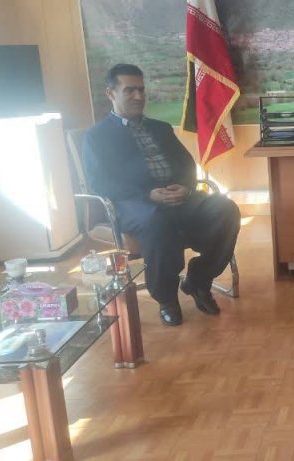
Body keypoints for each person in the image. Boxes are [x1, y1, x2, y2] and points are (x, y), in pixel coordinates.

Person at [83, 64, 241, 326]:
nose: (138, 96)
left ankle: (198, 280)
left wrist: (186, 187)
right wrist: (148, 194)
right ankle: (167, 298)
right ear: (111, 93)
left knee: (226, 209)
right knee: (158, 219)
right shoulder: (97, 136)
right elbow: (99, 182)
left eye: (141, 90)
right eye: (130, 90)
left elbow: (187, 164)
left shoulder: (160, 128)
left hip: (178, 196)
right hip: (134, 202)